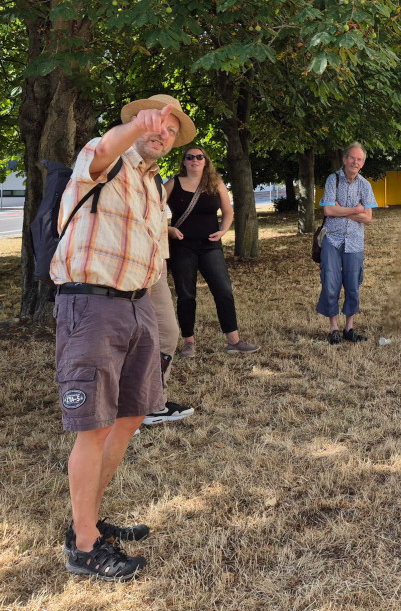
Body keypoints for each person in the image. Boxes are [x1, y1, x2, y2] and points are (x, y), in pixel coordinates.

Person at [50, 93, 195, 580]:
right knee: (93, 427)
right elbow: (107, 148)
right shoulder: (105, 154)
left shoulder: (154, 185)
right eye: (156, 122)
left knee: (131, 416)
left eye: (171, 129)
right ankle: (84, 545)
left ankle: (88, 518)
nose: (163, 132)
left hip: (138, 308)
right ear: (135, 121)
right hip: (92, 305)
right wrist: (135, 128)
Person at [165, 144, 258, 355]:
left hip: (210, 246)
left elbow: (228, 212)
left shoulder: (215, 183)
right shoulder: (173, 183)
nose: (194, 160)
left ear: (205, 161)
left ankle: (233, 341)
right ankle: (189, 342)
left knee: (223, 291)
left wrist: (223, 230)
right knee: (186, 295)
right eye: (190, 157)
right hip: (182, 246)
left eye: (199, 157)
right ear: (184, 161)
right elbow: (153, 210)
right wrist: (168, 229)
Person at [318, 142, 378, 344]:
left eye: (359, 159)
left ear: (362, 163)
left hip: (355, 242)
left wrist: (342, 210)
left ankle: (349, 328)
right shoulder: (332, 180)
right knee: (331, 283)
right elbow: (328, 211)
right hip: (332, 240)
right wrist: (356, 210)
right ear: (344, 159)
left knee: (353, 285)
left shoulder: (365, 185)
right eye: (352, 157)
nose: (355, 162)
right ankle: (334, 328)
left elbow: (368, 218)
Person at [140, 264, 197, 425]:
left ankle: (154, 403)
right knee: (126, 332)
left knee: (167, 333)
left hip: (156, 261)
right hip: (126, 257)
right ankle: (121, 413)